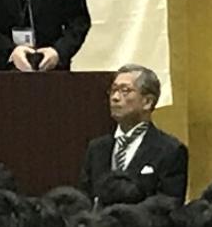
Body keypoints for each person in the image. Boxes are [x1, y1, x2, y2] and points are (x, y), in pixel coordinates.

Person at [80, 65, 188, 204]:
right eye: (113, 90)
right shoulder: (97, 148)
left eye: (125, 91)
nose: (115, 97)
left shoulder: (170, 150)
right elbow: (84, 199)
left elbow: (168, 204)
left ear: (147, 102)